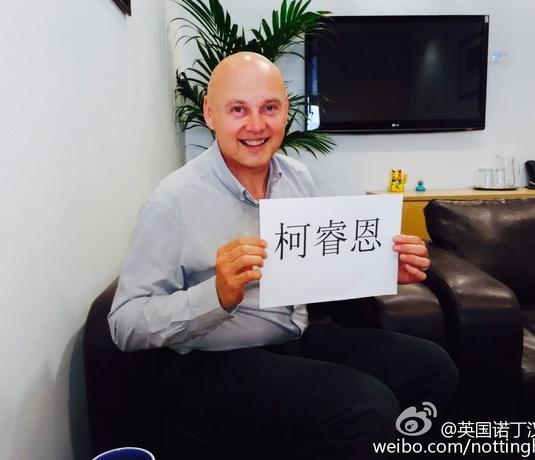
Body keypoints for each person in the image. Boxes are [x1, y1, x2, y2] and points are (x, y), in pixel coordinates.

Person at [109, 52, 457, 459]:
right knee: (364, 407)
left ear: (286, 111)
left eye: (270, 108)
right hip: (210, 362)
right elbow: (124, 323)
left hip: (294, 338)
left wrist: (379, 265)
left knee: (433, 369)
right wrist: (215, 296)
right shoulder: (173, 201)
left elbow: (313, 267)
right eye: (238, 109)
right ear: (210, 113)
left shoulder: (296, 178)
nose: (256, 125)